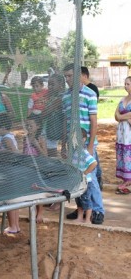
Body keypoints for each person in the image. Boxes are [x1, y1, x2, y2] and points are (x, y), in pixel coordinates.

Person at [62, 63, 104, 224]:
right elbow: (66, 122)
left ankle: (98, 210)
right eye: (65, 76)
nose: (67, 79)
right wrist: (65, 144)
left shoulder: (89, 93)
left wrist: (90, 145)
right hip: (72, 146)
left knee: (90, 177)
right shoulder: (65, 96)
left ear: (79, 76)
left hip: (86, 142)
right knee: (77, 177)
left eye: (70, 76)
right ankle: (82, 208)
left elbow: (94, 120)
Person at [0, 113, 20, 234]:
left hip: (9, 171)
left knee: (9, 200)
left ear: (2, 127)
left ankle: (12, 226)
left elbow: (14, 152)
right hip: (11, 170)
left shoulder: (6, 138)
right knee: (13, 199)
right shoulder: (9, 136)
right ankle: (16, 226)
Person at [81, 66, 103, 190]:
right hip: (87, 134)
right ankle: (99, 180)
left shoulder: (91, 89)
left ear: (84, 75)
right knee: (94, 160)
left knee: (92, 163)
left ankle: (98, 184)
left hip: (89, 134)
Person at [23, 113, 47, 223]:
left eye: (31, 126)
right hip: (28, 169)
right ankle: (32, 212)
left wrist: (36, 144)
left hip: (38, 169)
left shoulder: (41, 139)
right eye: (27, 125)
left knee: (39, 192)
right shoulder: (25, 138)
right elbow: (24, 152)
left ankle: (40, 213)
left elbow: (45, 156)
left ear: (38, 126)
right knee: (30, 192)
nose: (28, 128)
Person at [73, 129, 98, 224]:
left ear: (83, 139)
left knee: (86, 200)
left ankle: (87, 219)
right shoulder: (75, 151)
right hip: (77, 181)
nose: (74, 140)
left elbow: (94, 163)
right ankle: (80, 217)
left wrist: (85, 173)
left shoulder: (84, 152)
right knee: (79, 200)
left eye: (76, 138)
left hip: (85, 181)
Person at [42, 73, 65, 157]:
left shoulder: (61, 97)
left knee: (51, 155)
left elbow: (46, 112)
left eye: (52, 84)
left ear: (61, 84)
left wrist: (37, 116)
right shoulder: (52, 96)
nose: (50, 87)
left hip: (53, 129)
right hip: (48, 127)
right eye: (49, 84)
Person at [114, 76, 131, 194]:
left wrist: (121, 116)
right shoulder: (122, 99)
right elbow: (115, 115)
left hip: (129, 132)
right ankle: (125, 179)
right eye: (125, 84)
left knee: (129, 155)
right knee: (122, 154)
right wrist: (123, 116)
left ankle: (128, 180)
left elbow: (119, 115)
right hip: (121, 133)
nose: (126, 86)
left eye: (128, 84)